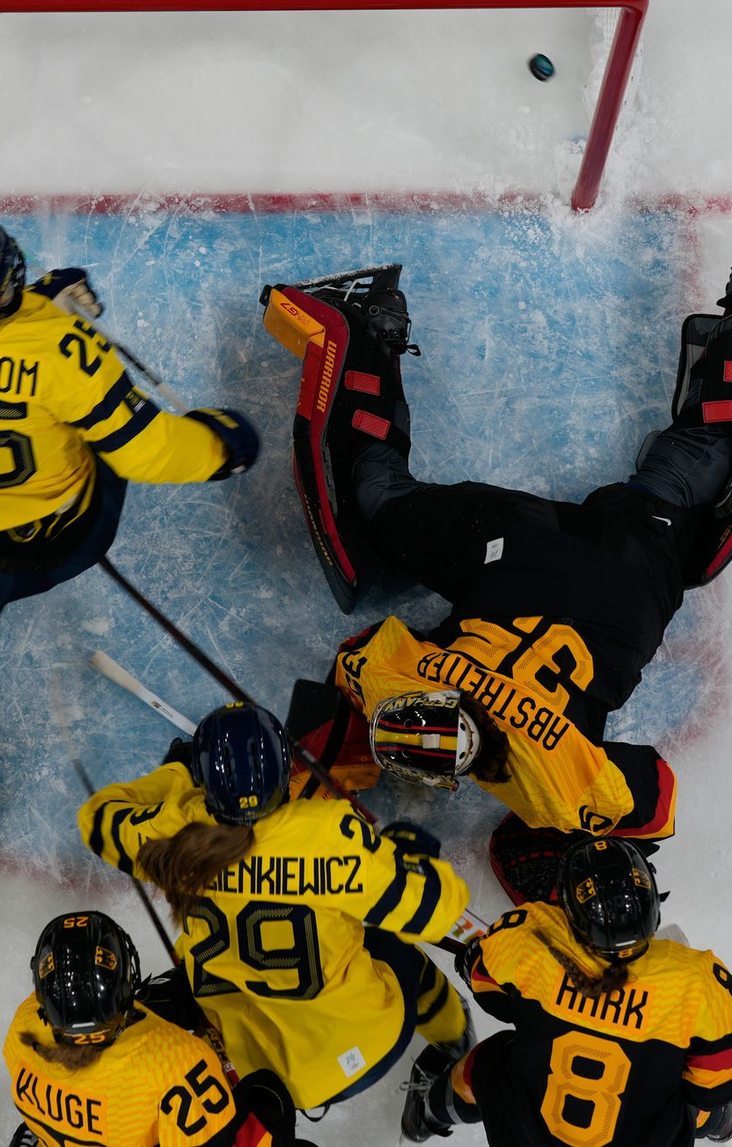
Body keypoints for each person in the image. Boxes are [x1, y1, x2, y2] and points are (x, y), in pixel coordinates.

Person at [259, 267, 732, 901]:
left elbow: (658, 798)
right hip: (518, 553)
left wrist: (582, 830)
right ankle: (366, 327)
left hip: (623, 575)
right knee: (374, 500)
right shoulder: (412, 682)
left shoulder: (567, 784)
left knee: (675, 488)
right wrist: (329, 761)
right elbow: (357, 655)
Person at [0, 214, 260, 823]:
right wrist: (221, 448)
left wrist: (33, 302)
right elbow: (146, 451)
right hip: (62, 538)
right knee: (109, 437)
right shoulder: (60, 352)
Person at [76, 702, 473, 1112]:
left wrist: (174, 774)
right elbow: (438, 911)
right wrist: (414, 856)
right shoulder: (329, 833)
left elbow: (96, 818)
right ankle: (456, 1049)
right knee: (398, 946)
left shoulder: (173, 834)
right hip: (361, 1048)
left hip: (266, 1078)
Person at [401, 837, 732, 1144]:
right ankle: (721, 1124)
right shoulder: (701, 981)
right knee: (697, 1091)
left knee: (489, 1060)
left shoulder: (529, 936)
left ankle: (427, 1116)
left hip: (528, 1136)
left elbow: (489, 993)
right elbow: (712, 1086)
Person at [3, 908, 310, 1147]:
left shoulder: (25, 1021)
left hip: (72, 1132)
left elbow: (81, 1003)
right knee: (268, 1093)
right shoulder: (178, 1061)